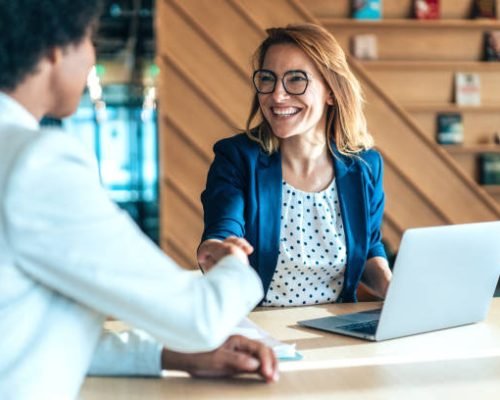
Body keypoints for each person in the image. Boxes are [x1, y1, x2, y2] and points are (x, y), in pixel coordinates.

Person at [0, 1, 278, 399]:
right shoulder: (36, 163)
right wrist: (235, 265)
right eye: (90, 40)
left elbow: (19, 336)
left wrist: (175, 356)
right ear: (55, 50)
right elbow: (199, 317)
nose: (94, 56)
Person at [198, 24, 392, 307]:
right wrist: (220, 251)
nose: (277, 95)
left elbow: (370, 246)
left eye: (296, 80)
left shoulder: (365, 165)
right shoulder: (237, 157)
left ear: (331, 92)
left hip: (337, 329)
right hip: (259, 329)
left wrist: (391, 286)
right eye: (268, 79)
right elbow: (222, 231)